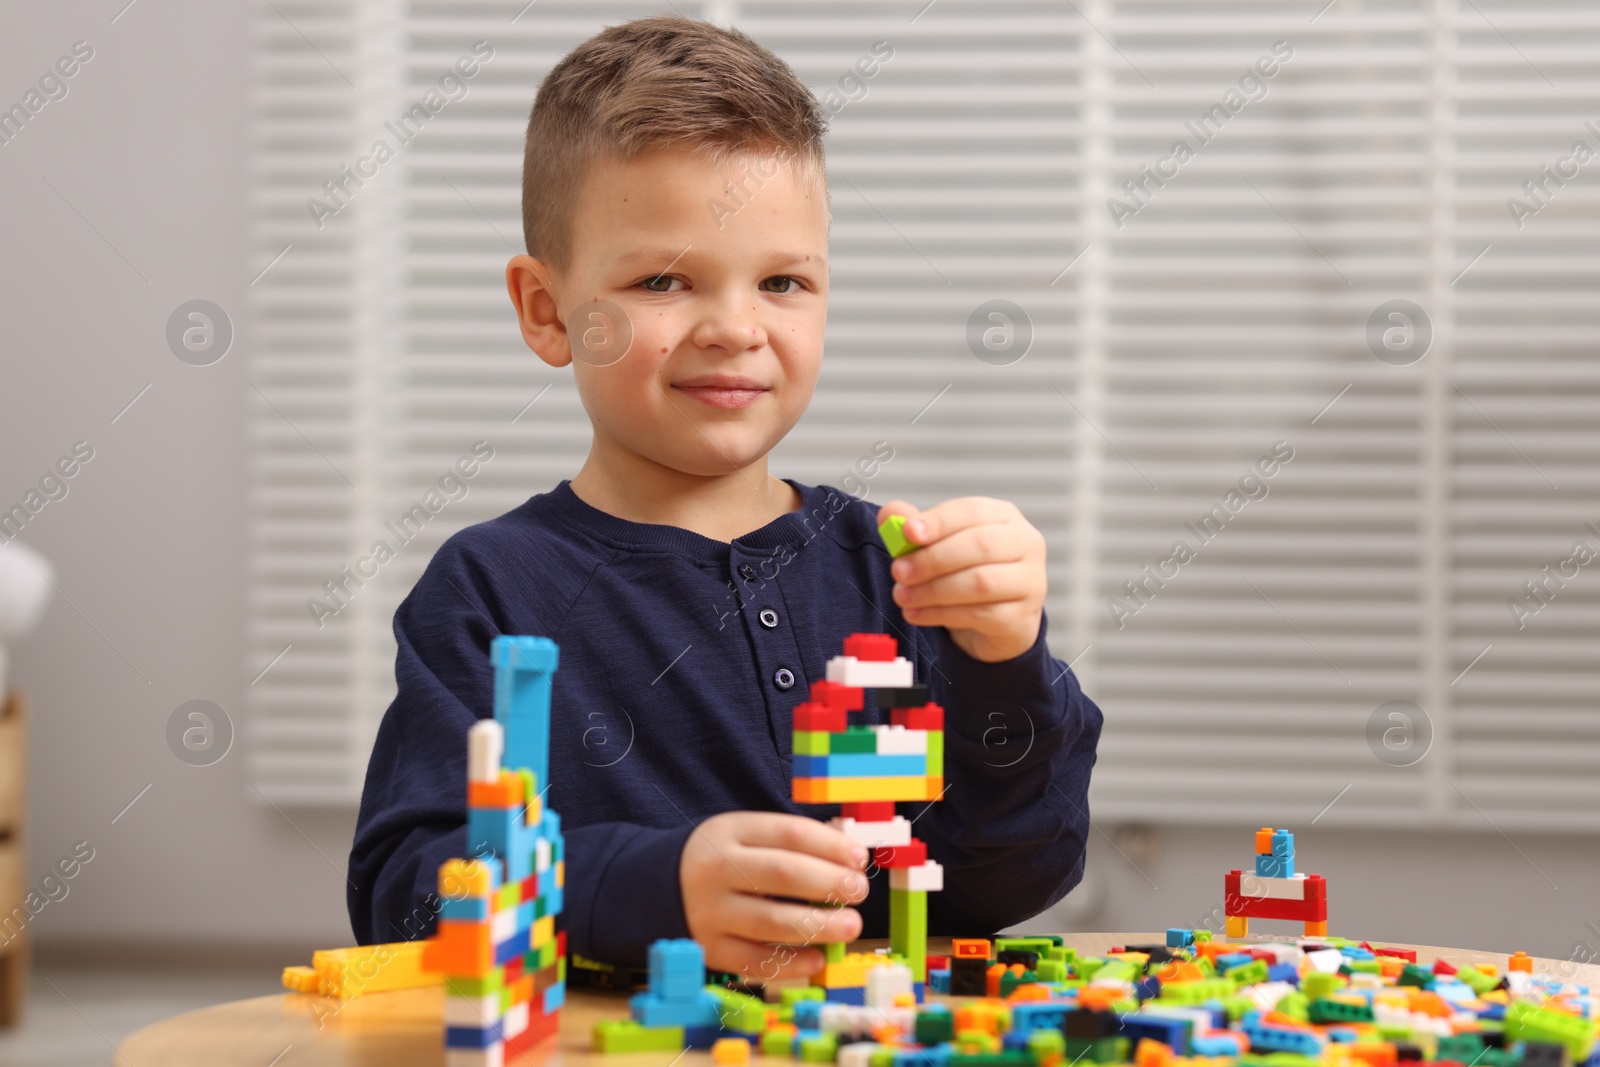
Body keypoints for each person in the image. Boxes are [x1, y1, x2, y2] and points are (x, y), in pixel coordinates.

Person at [348, 13, 1102, 981]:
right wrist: (651, 885)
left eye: (783, 281)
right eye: (665, 279)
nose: (734, 327)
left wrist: (1005, 662)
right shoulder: (491, 589)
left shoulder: (895, 568)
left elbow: (1009, 879)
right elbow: (406, 898)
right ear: (547, 310)